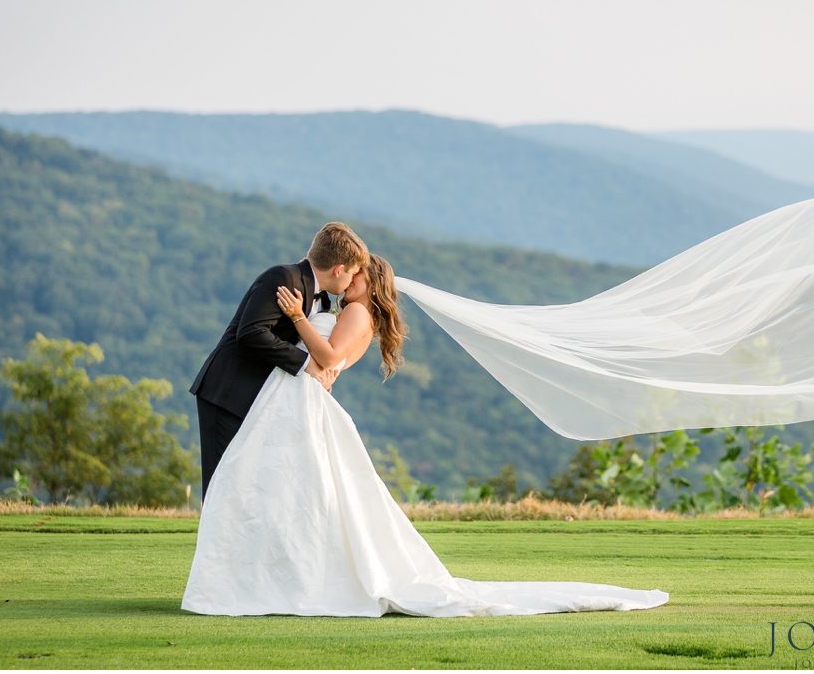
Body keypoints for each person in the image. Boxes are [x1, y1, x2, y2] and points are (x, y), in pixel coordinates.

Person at [181, 253, 669, 617]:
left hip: (305, 403)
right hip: (292, 404)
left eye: (357, 276)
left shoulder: (356, 314)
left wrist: (298, 319)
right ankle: (267, 577)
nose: (348, 281)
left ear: (369, 283)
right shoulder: (347, 308)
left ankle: (272, 580)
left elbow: (327, 362)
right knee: (290, 495)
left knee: (297, 496)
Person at [188, 221, 369, 498]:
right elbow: (251, 333)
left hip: (265, 400)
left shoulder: (323, 301)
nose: (351, 282)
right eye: (353, 273)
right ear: (338, 269)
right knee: (221, 486)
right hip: (229, 392)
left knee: (251, 488)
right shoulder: (284, 277)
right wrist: (307, 365)